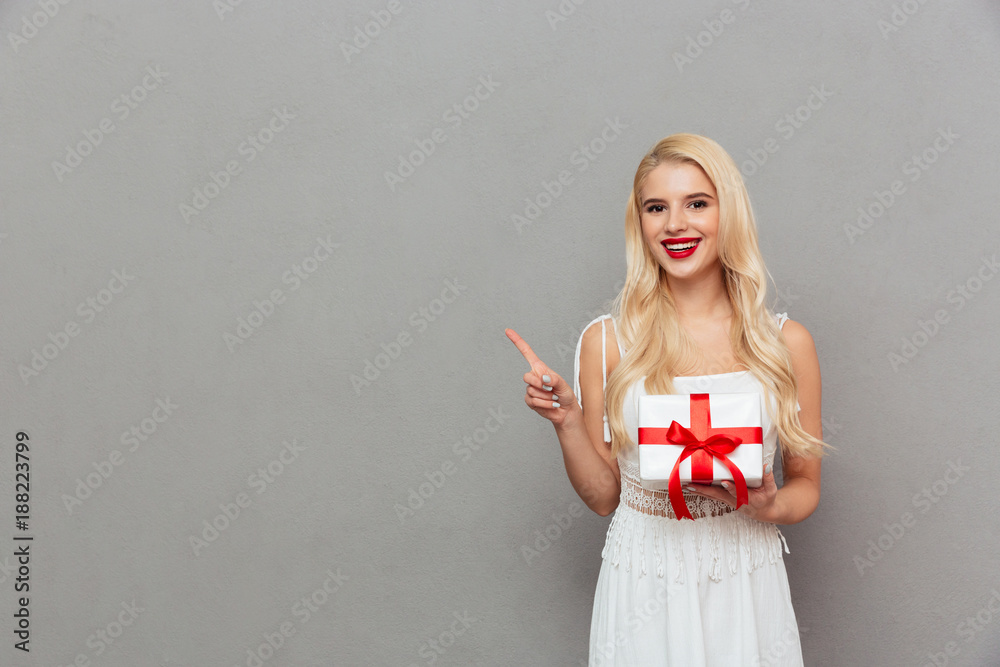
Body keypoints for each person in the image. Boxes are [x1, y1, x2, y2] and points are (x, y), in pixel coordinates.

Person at [504, 133, 830, 666]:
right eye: (656, 208)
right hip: (643, 571)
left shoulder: (786, 343)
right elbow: (604, 497)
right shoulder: (606, 341)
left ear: (730, 213)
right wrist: (566, 420)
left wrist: (770, 505)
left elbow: (808, 486)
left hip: (743, 569)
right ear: (641, 224)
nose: (675, 224)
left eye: (696, 203)